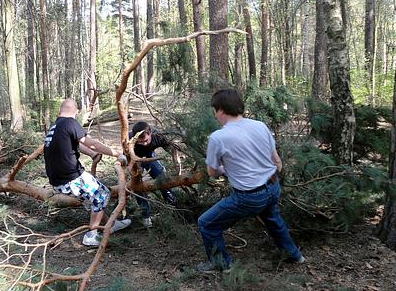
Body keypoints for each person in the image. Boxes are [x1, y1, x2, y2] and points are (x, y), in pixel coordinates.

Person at [197, 89, 304, 272]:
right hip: (273, 186)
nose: (215, 115)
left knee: (207, 223)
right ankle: (294, 255)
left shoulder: (218, 137)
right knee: (273, 219)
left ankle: (221, 264)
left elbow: (212, 173)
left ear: (221, 110)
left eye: (215, 110)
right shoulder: (260, 125)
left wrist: (226, 169)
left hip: (249, 197)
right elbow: (276, 160)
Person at [44, 99, 131, 246]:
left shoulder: (56, 127)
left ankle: (110, 224)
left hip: (58, 180)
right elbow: (92, 143)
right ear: (76, 111)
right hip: (70, 178)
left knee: (95, 198)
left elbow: (76, 145)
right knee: (102, 194)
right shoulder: (70, 123)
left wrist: (91, 154)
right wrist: (117, 154)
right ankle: (91, 234)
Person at [129, 121, 181, 228]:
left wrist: (178, 166)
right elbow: (129, 161)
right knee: (138, 185)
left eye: (146, 141)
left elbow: (172, 150)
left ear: (150, 133)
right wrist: (138, 172)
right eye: (140, 142)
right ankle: (146, 215)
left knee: (161, 177)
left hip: (149, 155)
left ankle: (173, 206)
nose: (143, 143)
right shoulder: (130, 141)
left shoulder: (158, 136)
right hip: (135, 159)